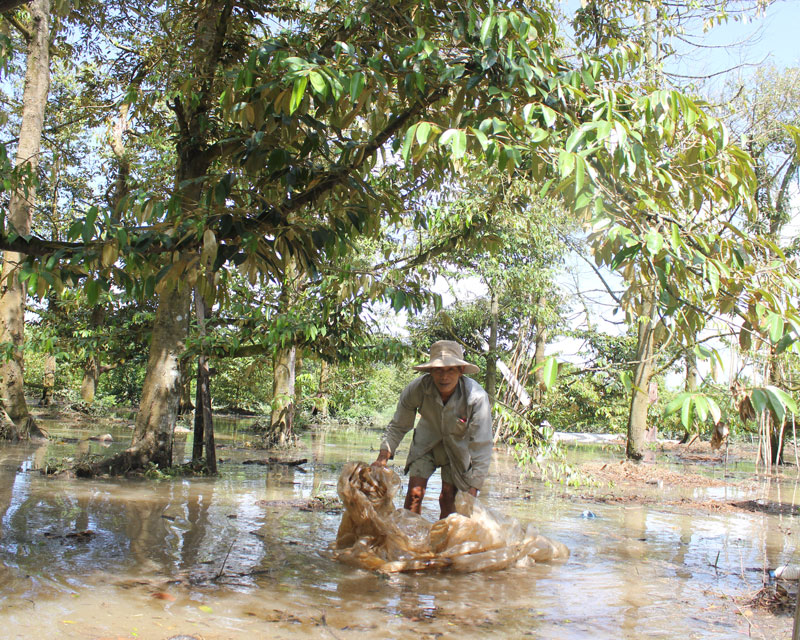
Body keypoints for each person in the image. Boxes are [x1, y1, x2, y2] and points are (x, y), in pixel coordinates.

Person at [372, 340, 493, 520]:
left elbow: (481, 444)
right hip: (426, 444)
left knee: (448, 499)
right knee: (414, 494)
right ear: (430, 371)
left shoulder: (475, 397)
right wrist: (383, 458)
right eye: (438, 370)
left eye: (451, 369)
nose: (444, 376)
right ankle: (410, 540)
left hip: (458, 449)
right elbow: (399, 425)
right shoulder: (416, 389)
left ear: (460, 371)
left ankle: (441, 542)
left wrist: (474, 486)